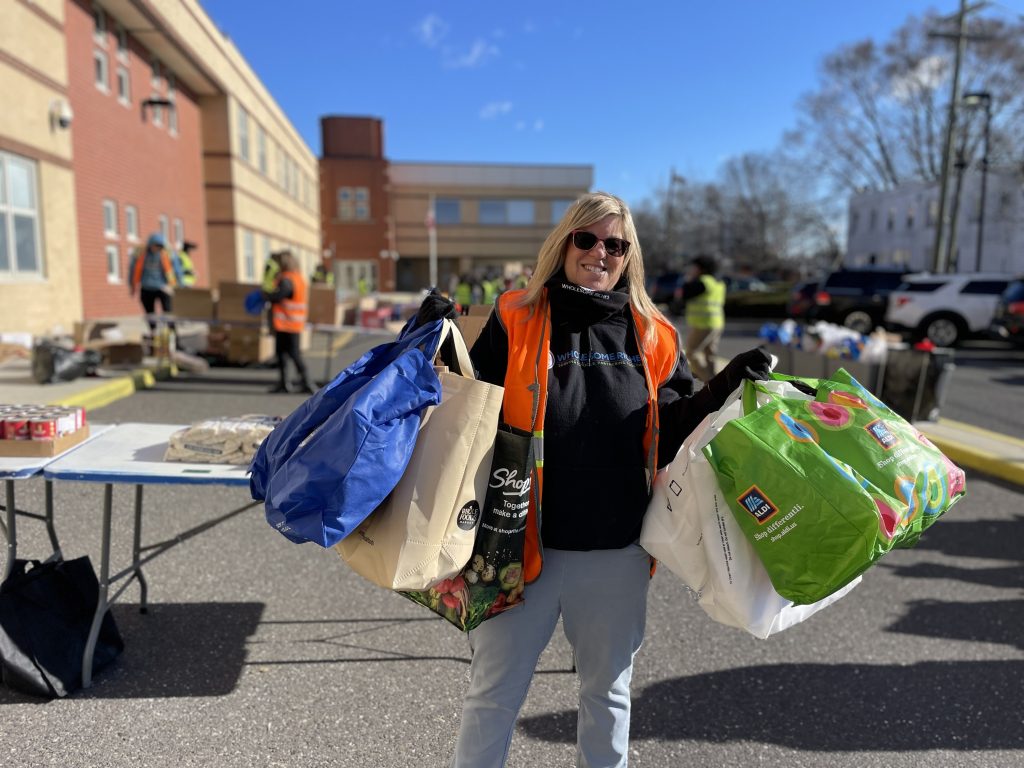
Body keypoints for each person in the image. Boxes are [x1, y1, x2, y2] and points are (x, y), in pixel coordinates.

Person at [418, 192, 771, 766]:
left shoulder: (654, 333)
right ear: (564, 244)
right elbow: (467, 403)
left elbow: (672, 429)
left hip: (615, 553)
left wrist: (720, 388)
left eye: (616, 244)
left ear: (629, 256)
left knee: (607, 695)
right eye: (587, 239)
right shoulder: (517, 315)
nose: (600, 253)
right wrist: (433, 346)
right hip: (518, 546)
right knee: (493, 697)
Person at [262, 251, 314, 395]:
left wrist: (266, 294)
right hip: (288, 323)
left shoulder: (287, 279)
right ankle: (284, 383)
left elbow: (277, 296)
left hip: (287, 323)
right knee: (282, 354)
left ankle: (307, 382)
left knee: (293, 354)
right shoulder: (297, 278)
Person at [679, 253, 726, 382]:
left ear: (702, 268)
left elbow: (684, 293)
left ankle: (711, 382)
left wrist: (689, 279)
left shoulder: (702, 282)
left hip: (703, 324)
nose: (692, 269)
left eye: (694, 267)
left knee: (691, 353)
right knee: (710, 355)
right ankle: (715, 384)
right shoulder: (718, 282)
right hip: (717, 323)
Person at [129, 233, 183, 338]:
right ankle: (154, 334)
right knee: (150, 314)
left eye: (159, 246)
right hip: (146, 288)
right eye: (155, 245)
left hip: (164, 288)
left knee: (168, 313)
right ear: (150, 245)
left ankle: (173, 336)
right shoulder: (140, 254)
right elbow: (133, 271)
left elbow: (177, 269)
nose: (157, 248)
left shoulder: (168, 254)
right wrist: (132, 286)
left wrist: (180, 284)